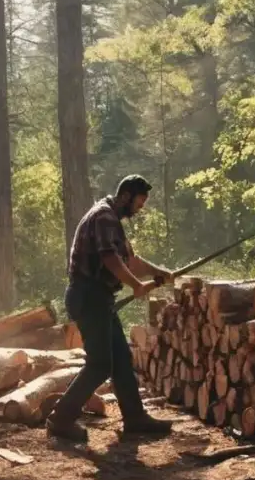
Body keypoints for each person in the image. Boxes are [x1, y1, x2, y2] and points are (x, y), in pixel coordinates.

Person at [46, 174, 177, 442]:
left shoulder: (112, 220)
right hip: (89, 296)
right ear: (126, 196)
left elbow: (130, 260)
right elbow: (109, 258)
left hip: (99, 298)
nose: (139, 210)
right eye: (138, 204)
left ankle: (135, 417)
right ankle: (61, 419)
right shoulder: (104, 217)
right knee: (100, 364)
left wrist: (159, 272)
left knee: (120, 358)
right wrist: (135, 285)